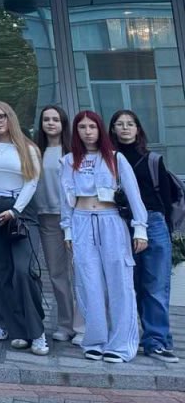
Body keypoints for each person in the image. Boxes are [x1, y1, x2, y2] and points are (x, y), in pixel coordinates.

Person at [62, 110, 147, 363]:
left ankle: (121, 345)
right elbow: (65, 200)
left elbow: (133, 195)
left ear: (100, 129)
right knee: (88, 283)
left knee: (120, 282)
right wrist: (68, 230)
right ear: (76, 131)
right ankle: (95, 340)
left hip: (111, 221)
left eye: (92, 126)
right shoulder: (68, 161)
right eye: (82, 127)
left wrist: (140, 228)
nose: (88, 132)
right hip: (81, 221)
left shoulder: (115, 158)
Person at [0, 101, 47, 355]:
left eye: (1, 116)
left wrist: (15, 210)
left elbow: (32, 182)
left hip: (21, 210)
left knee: (24, 270)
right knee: (2, 271)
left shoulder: (28, 148)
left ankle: (37, 332)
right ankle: (18, 330)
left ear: (11, 117)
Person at [111, 108, 179, 362]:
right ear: (113, 129)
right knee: (133, 285)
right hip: (121, 224)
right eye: (120, 124)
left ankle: (157, 340)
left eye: (130, 124)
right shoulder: (109, 160)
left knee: (156, 285)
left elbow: (165, 200)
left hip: (153, 222)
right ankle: (149, 336)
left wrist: (166, 230)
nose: (125, 128)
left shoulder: (153, 159)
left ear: (138, 129)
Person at [34, 104, 82, 343]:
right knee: (57, 274)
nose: (51, 123)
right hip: (47, 218)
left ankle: (84, 325)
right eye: (46, 119)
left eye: (55, 119)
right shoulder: (36, 151)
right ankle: (65, 324)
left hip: (76, 217)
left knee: (82, 272)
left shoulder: (74, 151)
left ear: (63, 123)